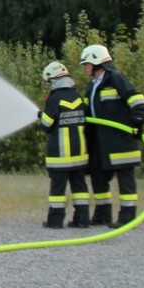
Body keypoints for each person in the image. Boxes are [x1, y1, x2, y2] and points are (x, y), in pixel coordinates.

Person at [79, 44, 144, 228]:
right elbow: (86, 110)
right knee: (98, 177)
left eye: (86, 63)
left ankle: (127, 217)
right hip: (100, 141)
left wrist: (138, 119)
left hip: (120, 140)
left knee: (125, 180)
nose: (84, 67)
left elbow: (136, 98)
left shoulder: (115, 79)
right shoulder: (92, 85)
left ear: (96, 62)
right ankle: (102, 215)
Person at [37, 61, 91, 228]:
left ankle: (55, 222)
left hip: (60, 156)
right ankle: (82, 220)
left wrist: (41, 114)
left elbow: (46, 125)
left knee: (57, 192)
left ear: (53, 80)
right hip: (80, 153)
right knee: (80, 188)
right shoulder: (77, 96)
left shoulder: (54, 98)